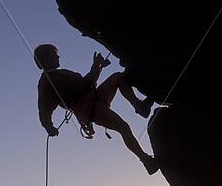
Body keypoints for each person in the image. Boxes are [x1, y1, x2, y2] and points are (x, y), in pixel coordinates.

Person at [34, 44, 158, 174]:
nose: (58, 56)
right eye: (54, 54)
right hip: (87, 107)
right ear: (45, 59)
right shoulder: (47, 81)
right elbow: (44, 108)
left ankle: (139, 106)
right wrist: (48, 126)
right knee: (123, 127)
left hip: (94, 98)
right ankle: (146, 161)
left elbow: (88, 84)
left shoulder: (58, 74)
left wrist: (98, 67)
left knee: (118, 77)